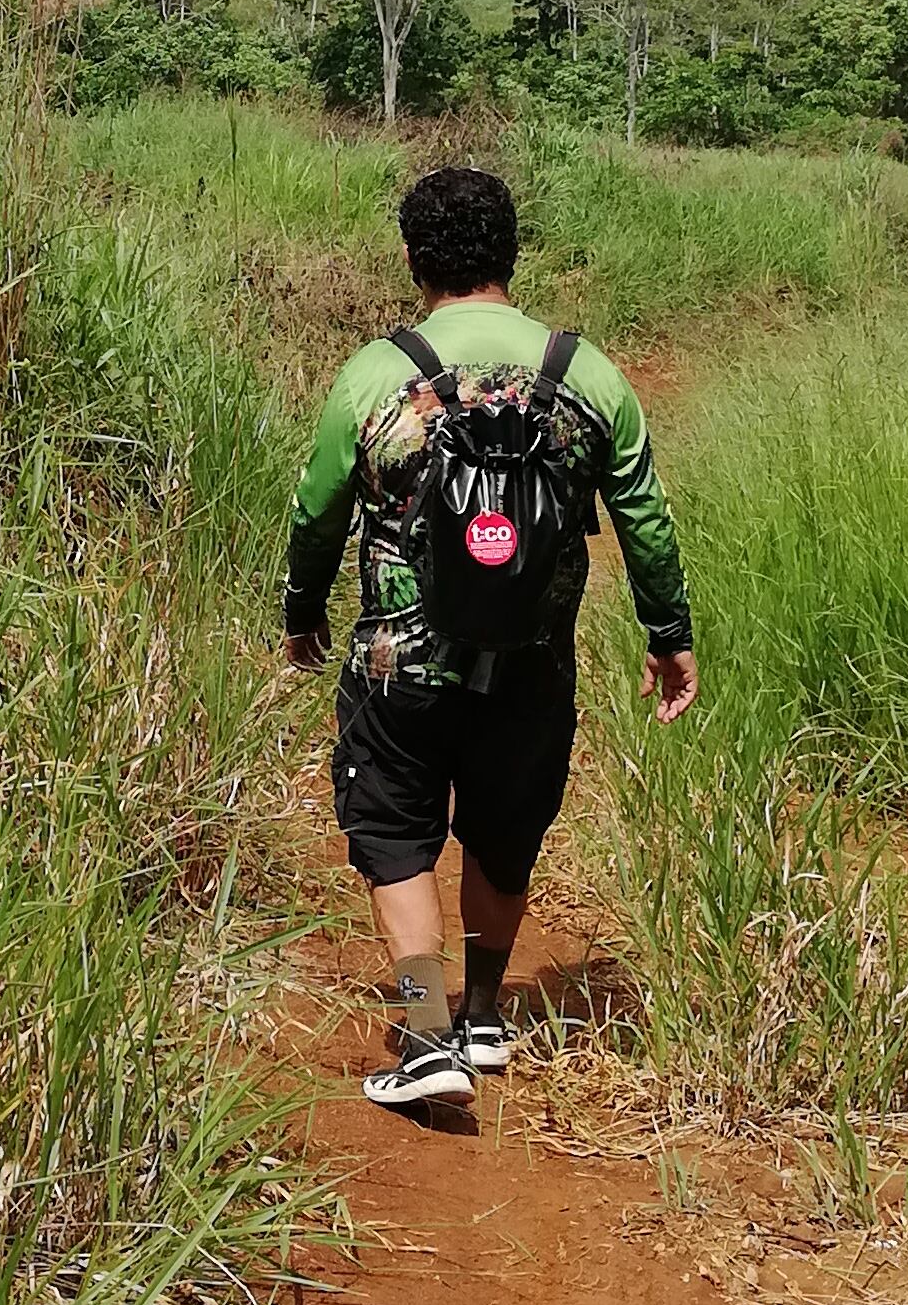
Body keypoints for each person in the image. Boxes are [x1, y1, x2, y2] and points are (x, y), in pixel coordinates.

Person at [283, 163, 697, 1110]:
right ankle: (482, 1014)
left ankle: (427, 1029)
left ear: (412, 258)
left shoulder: (378, 371)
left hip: (400, 664)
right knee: (506, 831)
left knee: (392, 830)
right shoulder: (584, 374)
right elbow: (646, 518)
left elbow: (317, 511)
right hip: (533, 664)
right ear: (512, 254)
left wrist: (302, 612)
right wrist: (667, 633)